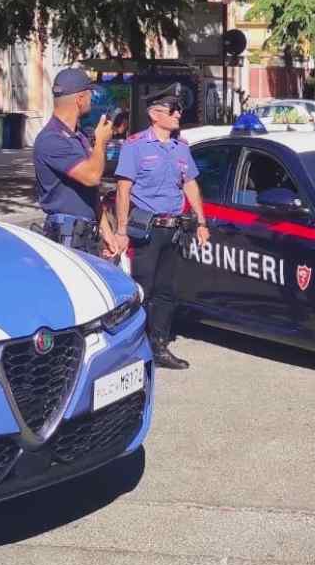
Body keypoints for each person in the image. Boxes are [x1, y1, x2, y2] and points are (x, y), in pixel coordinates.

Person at [112, 87, 211, 370]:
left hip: (174, 229)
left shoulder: (181, 148)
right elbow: (123, 190)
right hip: (147, 229)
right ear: (155, 114)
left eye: (179, 109)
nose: (179, 114)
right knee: (144, 288)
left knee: (167, 291)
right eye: (173, 109)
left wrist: (201, 222)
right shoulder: (135, 146)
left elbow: (190, 184)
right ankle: (134, 347)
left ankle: (158, 346)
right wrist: (121, 230)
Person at [32, 68, 116, 255]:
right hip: (67, 237)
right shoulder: (51, 139)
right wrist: (101, 141)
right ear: (79, 99)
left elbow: (91, 192)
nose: (91, 100)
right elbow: (92, 177)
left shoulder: (77, 137)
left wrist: (106, 232)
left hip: (86, 235)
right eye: (89, 94)